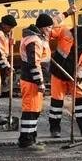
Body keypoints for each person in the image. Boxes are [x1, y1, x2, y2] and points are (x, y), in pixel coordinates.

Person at [47, 17, 82, 138]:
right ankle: (55, 129)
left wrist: (80, 72)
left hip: (74, 75)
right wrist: (66, 13)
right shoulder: (67, 32)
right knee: (57, 103)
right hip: (58, 72)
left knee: (81, 100)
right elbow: (49, 28)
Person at [17, 13, 54, 151]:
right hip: (32, 81)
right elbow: (34, 63)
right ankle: (27, 141)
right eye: (49, 27)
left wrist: (67, 12)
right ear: (43, 28)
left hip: (31, 80)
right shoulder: (34, 41)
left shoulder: (37, 37)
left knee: (34, 110)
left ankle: (31, 138)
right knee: (31, 111)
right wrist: (39, 82)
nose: (51, 30)